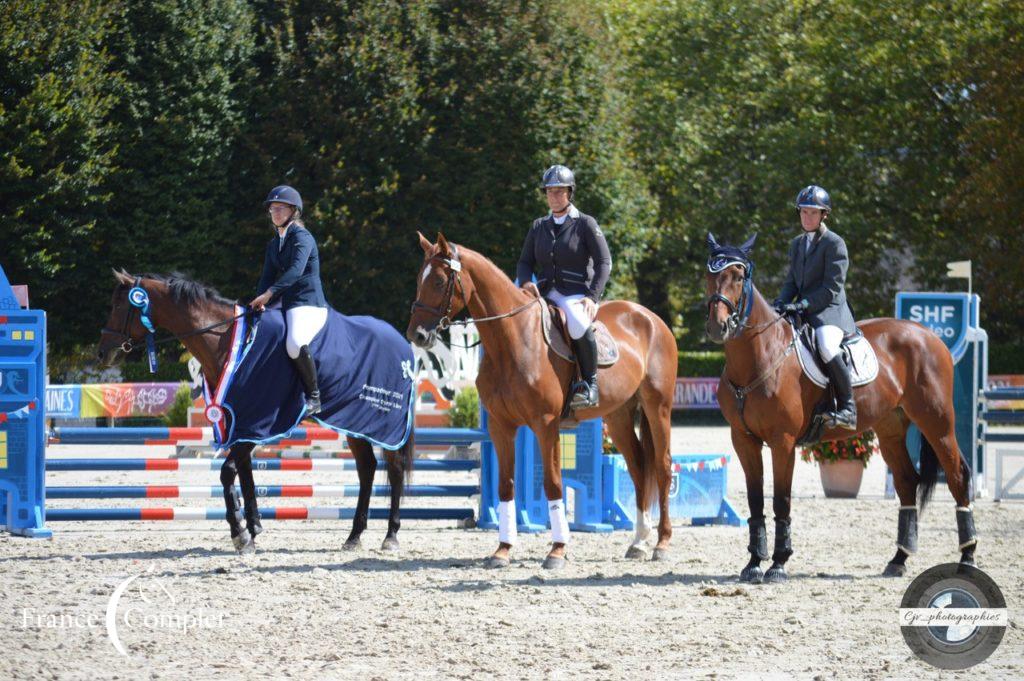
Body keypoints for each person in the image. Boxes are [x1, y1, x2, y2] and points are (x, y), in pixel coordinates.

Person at [516, 165, 611, 409]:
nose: (554, 196)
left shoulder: (586, 224)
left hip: (576, 294)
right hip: (546, 293)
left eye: (559, 191)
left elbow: (604, 262)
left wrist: (592, 297)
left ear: (570, 193)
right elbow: (525, 261)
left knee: (578, 324)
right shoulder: (539, 226)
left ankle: (590, 384)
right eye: (549, 192)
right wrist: (527, 282)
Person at [773, 184, 858, 429]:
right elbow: (792, 281)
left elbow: (831, 288)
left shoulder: (835, 243)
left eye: (813, 212)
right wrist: (780, 302)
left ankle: (848, 407)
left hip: (830, 312)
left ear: (823, 215)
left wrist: (803, 304)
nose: (807, 217)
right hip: (803, 309)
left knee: (826, 346)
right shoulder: (797, 244)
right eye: (803, 212)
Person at [250, 185, 328, 415]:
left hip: (308, 303)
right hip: (286, 302)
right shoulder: (275, 244)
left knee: (294, 342)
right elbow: (266, 276)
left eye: (280, 208)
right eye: (272, 209)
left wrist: (269, 294)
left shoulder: (302, 237)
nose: (274, 213)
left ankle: (314, 397)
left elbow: (295, 272)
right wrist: (258, 300)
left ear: (294, 210)